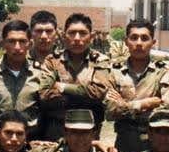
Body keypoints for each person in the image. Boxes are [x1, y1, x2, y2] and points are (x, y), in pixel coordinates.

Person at [105, 18, 169, 152]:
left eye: (144, 38)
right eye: (134, 38)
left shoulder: (164, 71)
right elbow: (110, 112)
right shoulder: (114, 72)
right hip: (124, 143)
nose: (139, 43)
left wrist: (124, 106)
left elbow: (168, 109)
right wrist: (142, 104)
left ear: (153, 43)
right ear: (126, 42)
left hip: (156, 144)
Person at [37, 13, 115, 141]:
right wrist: (85, 97)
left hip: (89, 133)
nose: (77, 38)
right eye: (72, 33)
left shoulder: (100, 61)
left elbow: (99, 92)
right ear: (63, 36)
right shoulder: (52, 61)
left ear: (91, 36)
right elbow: (44, 94)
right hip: (57, 132)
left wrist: (63, 87)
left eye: (83, 33)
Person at [0, 19, 45, 129]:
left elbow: (45, 112)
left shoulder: (40, 74)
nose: (17, 47)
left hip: (31, 139)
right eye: (11, 41)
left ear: (29, 44)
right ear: (3, 44)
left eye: (22, 41)